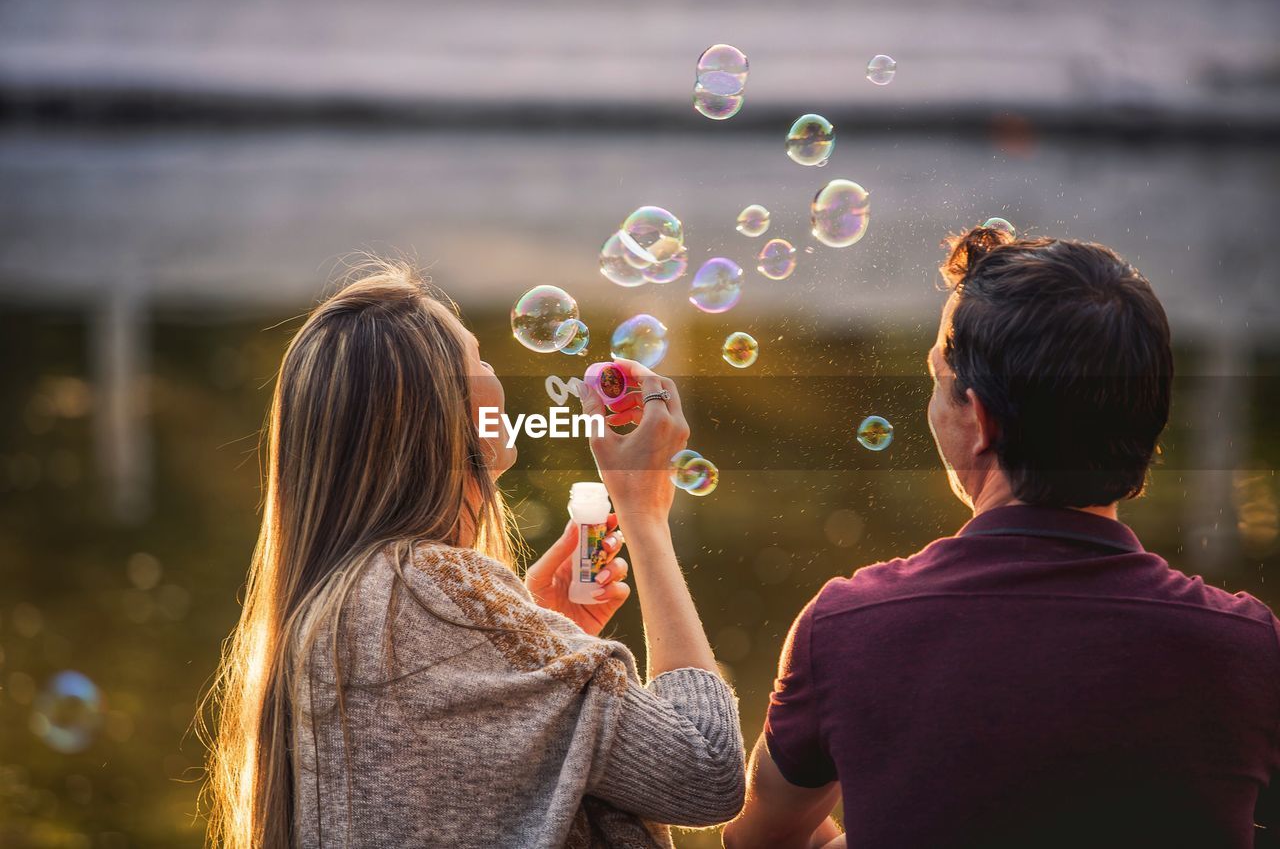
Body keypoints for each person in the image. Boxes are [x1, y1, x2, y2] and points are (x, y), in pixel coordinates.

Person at [724, 226, 1280, 849]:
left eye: (938, 379)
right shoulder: (1248, 648)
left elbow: (761, 838)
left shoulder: (851, 627)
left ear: (980, 419)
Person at [200, 259, 745, 848]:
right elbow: (705, 768)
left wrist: (538, 638)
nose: (496, 374)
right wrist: (643, 514)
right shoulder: (429, 592)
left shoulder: (333, 606)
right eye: (479, 360)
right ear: (437, 413)